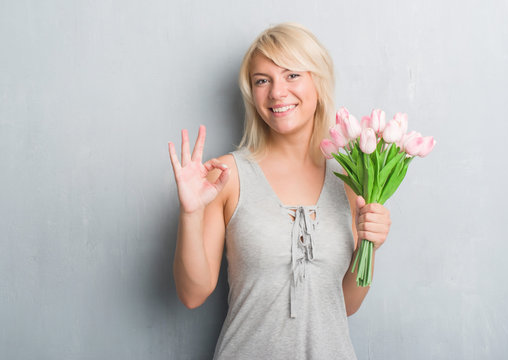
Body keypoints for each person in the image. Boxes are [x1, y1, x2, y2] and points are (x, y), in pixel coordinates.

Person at [167, 23, 391, 359]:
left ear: (318, 81)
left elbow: (343, 305)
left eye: (292, 75)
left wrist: (370, 246)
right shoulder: (225, 176)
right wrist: (191, 213)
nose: (276, 92)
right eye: (262, 80)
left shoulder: (350, 182)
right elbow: (193, 294)